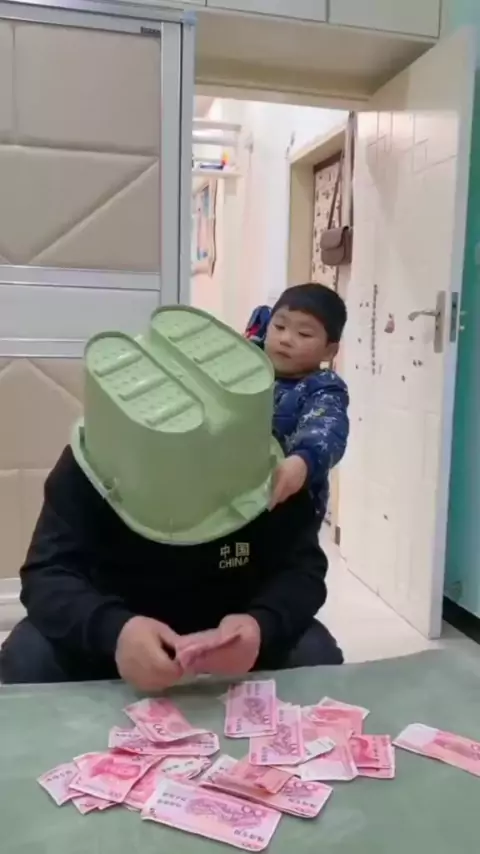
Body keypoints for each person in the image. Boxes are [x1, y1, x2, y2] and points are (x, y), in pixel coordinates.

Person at [0, 446, 343, 688]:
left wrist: (259, 625)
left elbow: (303, 570)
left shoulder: (268, 462)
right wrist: (115, 631)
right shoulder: (92, 459)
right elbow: (47, 573)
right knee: (27, 656)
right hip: (116, 640)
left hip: (233, 642)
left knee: (315, 654)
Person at [245, 283, 349, 521]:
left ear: (329, 351)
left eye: (304, 334)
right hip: (234, 489)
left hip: (289, 503)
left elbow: (327, 429)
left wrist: (303, 461)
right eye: (279, 326)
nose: (286, 339)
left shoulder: (323, 388)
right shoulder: (246, 362)